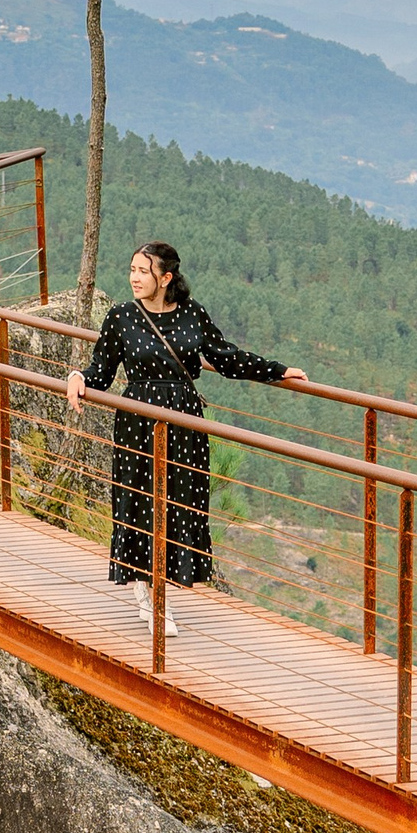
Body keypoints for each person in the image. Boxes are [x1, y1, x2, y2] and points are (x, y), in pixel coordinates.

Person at [65, 244, 309, 629]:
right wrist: (79, 378)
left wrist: (277, 371)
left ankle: (162, 585)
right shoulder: (121, 317)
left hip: (185, 426)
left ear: (165, 278)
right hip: (138, 423)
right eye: (132, 269)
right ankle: (148, 596)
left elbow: (227, 357)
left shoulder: (192, 315)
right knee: (141, 502)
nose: (134, 277)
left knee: (178, 503)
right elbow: (102, 369)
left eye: (143, 271)